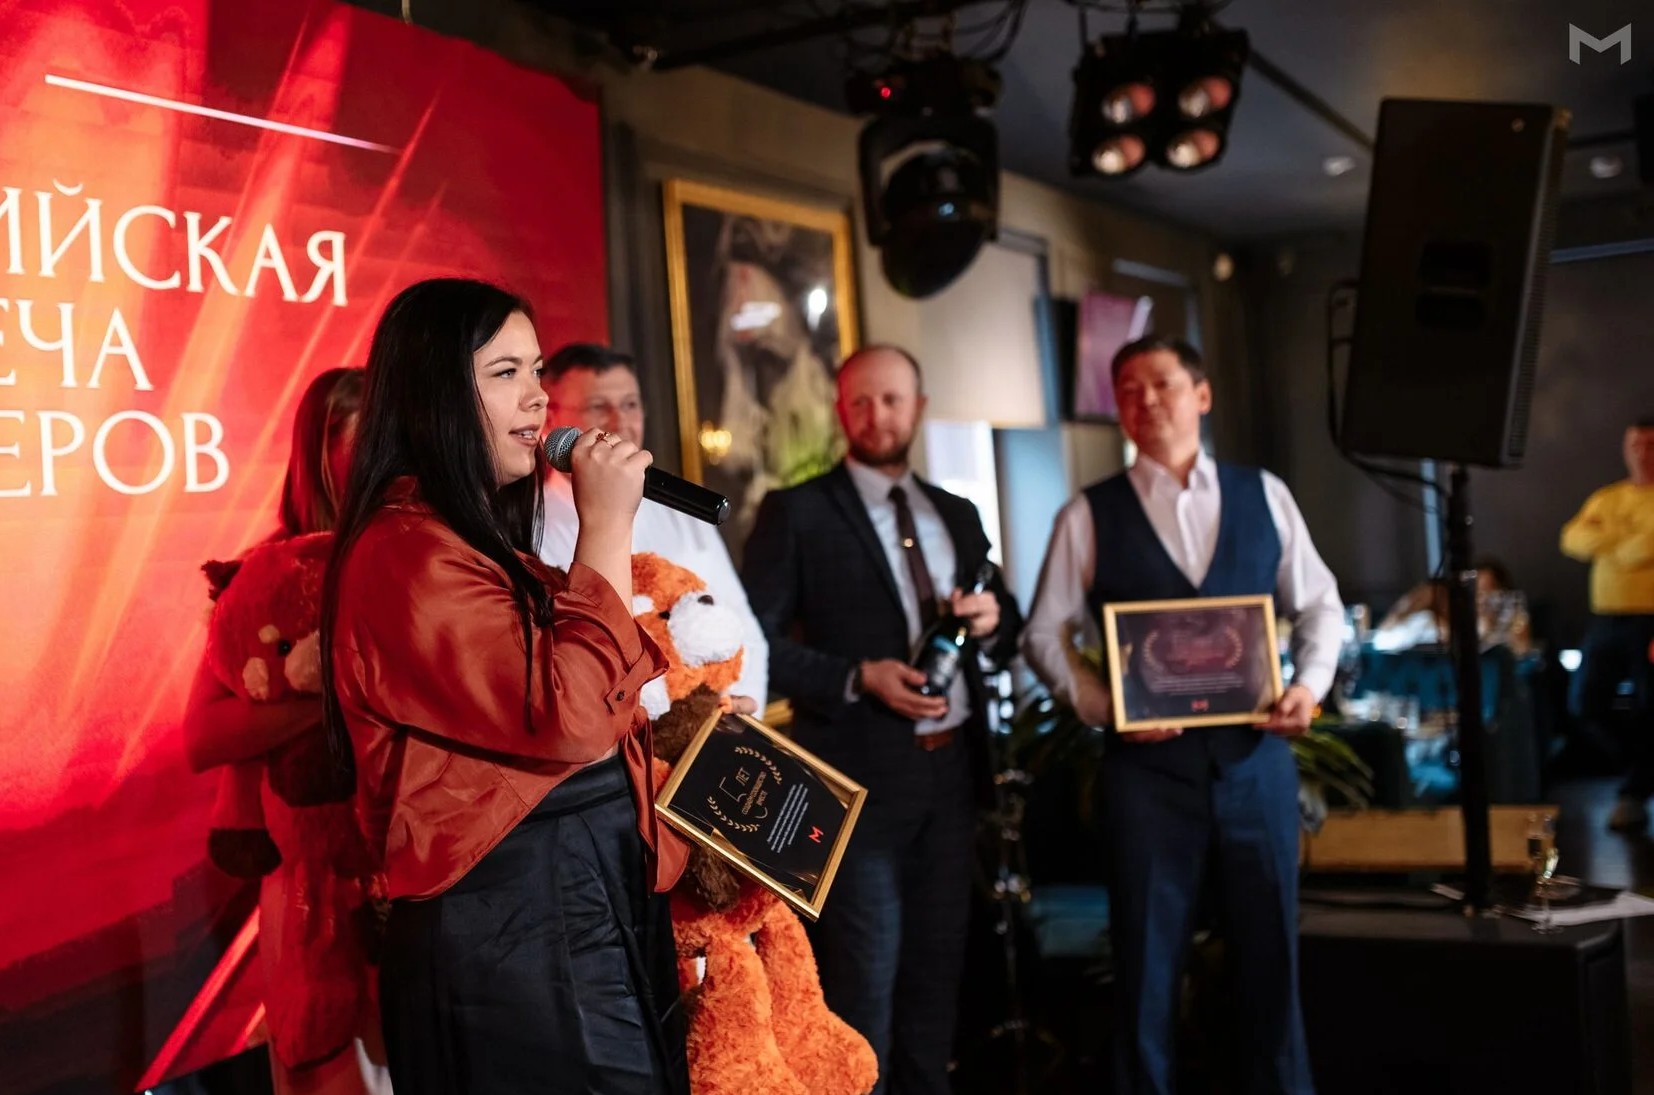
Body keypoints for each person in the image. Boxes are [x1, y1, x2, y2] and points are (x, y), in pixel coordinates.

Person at [319, 279, 690, 1095]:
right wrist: (606, 524)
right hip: (509, 933)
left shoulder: (468, 541)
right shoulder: (406, 554)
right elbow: (570, 715)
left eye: (538, 369)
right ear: (436, 394)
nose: (536, 396)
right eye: (505, 372)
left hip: (574, 905)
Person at [1021, 335, 1342, 1095]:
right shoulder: (1088, 512)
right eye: (1128, 390)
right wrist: (1105, 706)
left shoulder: (1264, 494)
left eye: (1162, 383)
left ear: (1201, 394)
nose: (1147, 400)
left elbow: (1321, 604)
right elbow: (1042, 632)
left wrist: (1309, 685)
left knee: (1272, 964)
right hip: (1146, 776)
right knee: (1144, 968)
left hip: (1256, 765)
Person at [740, 344, 1023, 1095]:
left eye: (892, 400)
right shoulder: (796, 511)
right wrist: (856, 677)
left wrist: (993, 619)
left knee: (937, 984)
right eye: (860, 401)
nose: (877, 415)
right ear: (840, 411)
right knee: (863, 989)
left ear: (918, 407)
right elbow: (755, 643)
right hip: (853, 784)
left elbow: (1007, 629)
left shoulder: (957, 513)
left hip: (951, 774)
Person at [181, 366, 391, 1095]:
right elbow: (202, 736)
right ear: (321, 452)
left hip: (412, 859)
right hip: (309, 878)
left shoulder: (420, 552)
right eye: (369, 438)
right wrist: (337, 691)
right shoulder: (265, 572)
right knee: (327, 1061)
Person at [538, 342, 768, 713]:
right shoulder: (531, 525)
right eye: (598, 407)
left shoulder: (682, 513)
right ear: (552, 419)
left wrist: (731, 715)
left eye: (630, 404)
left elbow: (744, 629)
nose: (620, 423)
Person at [1561, 417, 1654, 831]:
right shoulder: (1608, 497)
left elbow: (1644, 548)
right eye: (1635, 445)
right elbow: (1572, 538)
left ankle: (1634, 794)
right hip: (1606, 619)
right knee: (1584, 703)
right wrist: (1625, 541)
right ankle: (1642, 770)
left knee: (1650, 706)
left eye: (1650, 445)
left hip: (1650, 622)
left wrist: (1610, 541)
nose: (1642, 453)